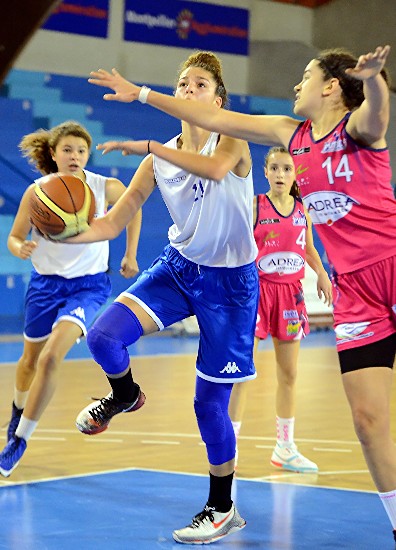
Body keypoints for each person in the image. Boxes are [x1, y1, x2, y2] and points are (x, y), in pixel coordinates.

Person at [86, 45, 396, 544]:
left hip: (247, 283)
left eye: (305, 75)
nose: (296, 84)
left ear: (331, 87)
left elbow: (375, 121)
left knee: (240, 392)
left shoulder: (313, 135)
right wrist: (141, 94)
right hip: (340, 288)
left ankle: (247, 477)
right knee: (367, 419)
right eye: (182, 83)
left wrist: (376, 81)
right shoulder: (288, 134)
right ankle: (133, 401)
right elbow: (112, 219)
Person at [64, 51, 258, 545]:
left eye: (198, 84)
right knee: (104, 337)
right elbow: (116, 217)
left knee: (208, 406)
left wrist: (151, 144)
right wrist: (73, 233)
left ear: (218, 98)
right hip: (178, 268)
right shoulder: (157, 160)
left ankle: (222, 506)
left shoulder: (230, 138)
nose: (188, 90)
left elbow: (215, 171)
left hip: (231, 285)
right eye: (182, 83)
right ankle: (125, 395)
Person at [0, 120, 141, 477]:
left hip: (88, 287)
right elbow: (14, 237)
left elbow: (134, 206)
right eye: (67, 150)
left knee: (50, 358)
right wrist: (21, 247)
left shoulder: (101, 186)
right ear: (53, 153)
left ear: (88, 154)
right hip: (44, 286)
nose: (75, 156)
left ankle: (19, 439)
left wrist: (130, 254)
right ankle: (18, 410)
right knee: (29, 362)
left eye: (81, 150)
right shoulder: (37, 193)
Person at [229, 146, 332, 473]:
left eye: (287, 169)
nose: (280, 175)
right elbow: (236, 245)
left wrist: (323, 275)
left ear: (295, 174)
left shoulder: (303, 210)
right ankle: (228, 446)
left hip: (291, 296)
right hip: (256, 293)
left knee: (289, 374)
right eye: (274, 169)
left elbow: (309, 249)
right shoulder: (255, 206)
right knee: (243, 372)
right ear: (266, 172)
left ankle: (285, 448)